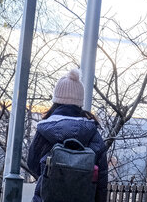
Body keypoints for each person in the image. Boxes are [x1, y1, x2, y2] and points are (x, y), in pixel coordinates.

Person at [27, 68, 108, 202]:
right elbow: (101, 179)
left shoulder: (44, 130)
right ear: (80, 102)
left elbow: (33, 164)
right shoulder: (92, 133)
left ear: (56, 100)